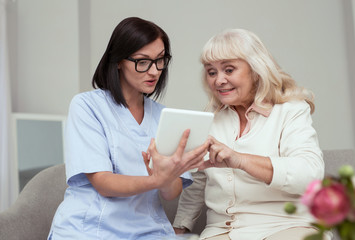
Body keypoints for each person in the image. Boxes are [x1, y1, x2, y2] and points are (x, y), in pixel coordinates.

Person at [47, 17, 209, 240]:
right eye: (143, 62)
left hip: (148, 230)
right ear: (119, 61)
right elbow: (103, 182)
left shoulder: (165, 116)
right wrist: (155, 180)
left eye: (160, 60)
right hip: (91, 229)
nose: (154, 71)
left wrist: (168, 174)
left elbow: (171, 193)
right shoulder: (87, 106)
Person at [173, 29, 331, 240]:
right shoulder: (209, 120)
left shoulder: (291, 110)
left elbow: (310, 173)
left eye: (229, 70)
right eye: (212, 72)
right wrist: (179, 228)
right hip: (223, 231)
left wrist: (240, 160)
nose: (219, 80)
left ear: (256, 70)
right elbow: (199, 180)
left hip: (287, 226)